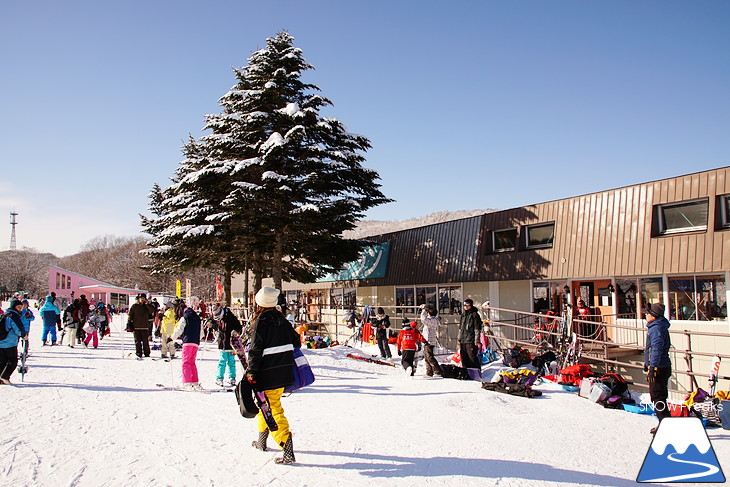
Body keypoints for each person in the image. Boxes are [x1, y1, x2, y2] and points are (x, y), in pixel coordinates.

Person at [248, 286, 302, 465]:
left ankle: (286, 446)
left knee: (271, 408)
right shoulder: (282, 320)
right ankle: (262, 441)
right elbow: (296, 341)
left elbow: (255, 351)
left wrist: (252, 372)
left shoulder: (260, 322)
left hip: (267, 373)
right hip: (284, 372)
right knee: (264, 405)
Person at [644, 302, 672, 435]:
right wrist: (647, 362)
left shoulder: (656, 328)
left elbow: (656, 349)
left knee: (657, 397)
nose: (646, 315)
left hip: (659, 367)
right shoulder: (657, 326)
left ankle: (665, 424)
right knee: (659, 396)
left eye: (647, 313)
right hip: (661, 366)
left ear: (653, 315)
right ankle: (665, 423)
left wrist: (652, 367)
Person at [209, 304, 243, 386]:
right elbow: (214, 324)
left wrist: (236, 331)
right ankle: (219, 378)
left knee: (231, 361)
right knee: (222, 361)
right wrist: (210, 324)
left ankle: (232, 377)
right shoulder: (218, 318)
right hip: (222, 343)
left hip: (231, 344)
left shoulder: (231, 318)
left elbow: (239, 327)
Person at [172, 297, 202, 389]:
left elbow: (179, 329)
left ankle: (186, 382)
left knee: (186, 362)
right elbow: (201, 332)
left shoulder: (185, 317)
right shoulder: (197, 318)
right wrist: (198, 338)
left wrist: (172, 338)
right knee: (192, 362)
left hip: (188, 341)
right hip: (195, 342)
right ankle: (194, 381)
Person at [0, 299, 28, 384]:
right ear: (13, 307)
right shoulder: (13, 316)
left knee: (2, 361)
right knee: (13, 361)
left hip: (1, 342)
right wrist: (24, 335)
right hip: (10, 342)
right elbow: (18, 328)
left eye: (21, 307)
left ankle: (1, 378)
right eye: (18, 307)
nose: (20, 309)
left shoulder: (4, 315)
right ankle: (4, 377)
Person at [419, 305, 443, 377]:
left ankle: (437, 371)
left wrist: (424, 310)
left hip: (428, 341)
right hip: (431, 341)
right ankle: (429, 372)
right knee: (427, 357)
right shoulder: (435, 320)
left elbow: (423, 319)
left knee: (429, 357)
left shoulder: (430, 321)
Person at [458, 298, 482, 369]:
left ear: (471, 305)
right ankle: (466, 371)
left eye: (467, 305)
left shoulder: (475, 315)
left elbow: (477, 328)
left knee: (472, 356)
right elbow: (460, 328)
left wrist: (477, 340)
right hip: (463, 339)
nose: (465, 306)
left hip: (471, 339)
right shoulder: (463, 315)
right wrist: (459, 339)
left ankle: (476, 370)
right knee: (463, 356)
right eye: (464, 305)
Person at [127, 294, 153, 358]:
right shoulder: (135, 306)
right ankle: (139, 352)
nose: (142, 300)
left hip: (144, 326)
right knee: (137, 341)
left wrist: (147, 304)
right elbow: (130, 315)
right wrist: (129, 322)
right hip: (136, 326)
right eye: (141, 298)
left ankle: (147, 353)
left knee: (145, 341)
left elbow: (152, 311)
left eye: (143, 298)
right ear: (139, 299)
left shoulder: (147, 306)